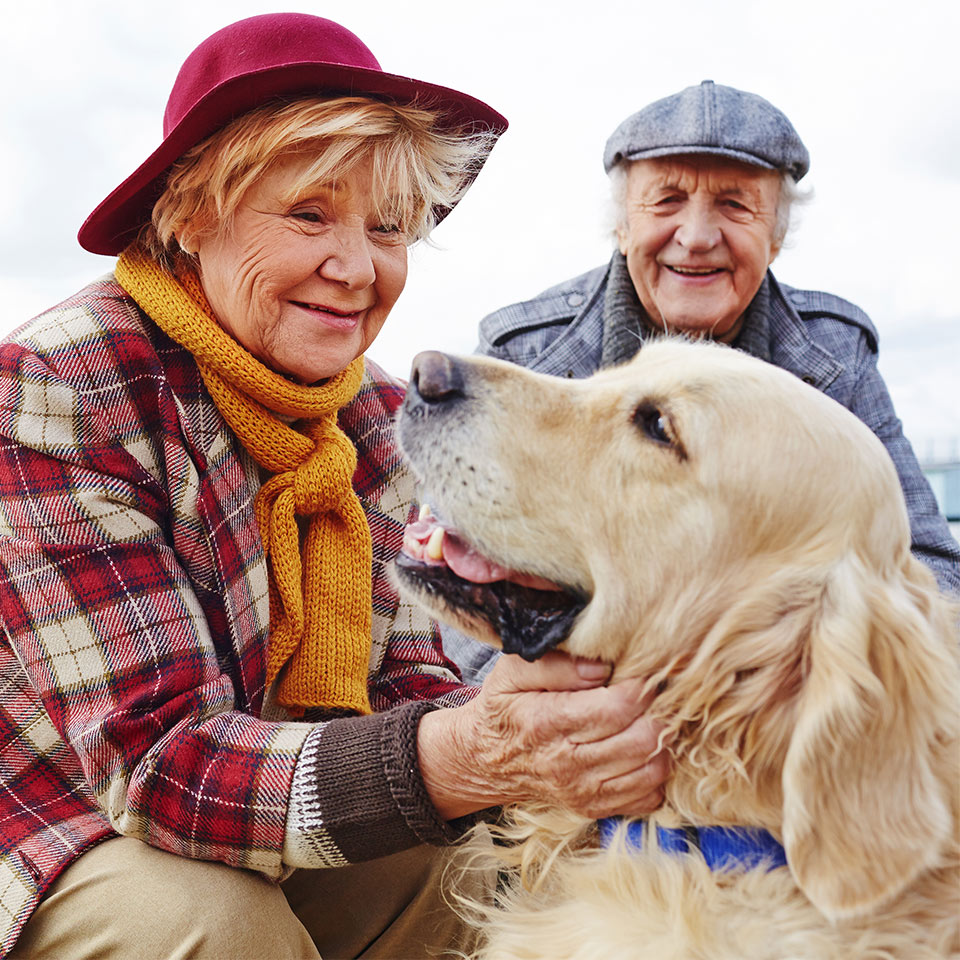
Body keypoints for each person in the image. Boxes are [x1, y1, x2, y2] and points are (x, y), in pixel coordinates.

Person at [0, 14, 670, 959]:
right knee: (218, 930)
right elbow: (159, 766)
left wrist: (519, 719)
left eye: (388, 228)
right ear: (191, 214)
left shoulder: (374, 411)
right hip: (57, 814)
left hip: (268, 789)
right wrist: (473, 750)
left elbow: (403, 681)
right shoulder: (59, 385)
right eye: (309, 215)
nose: (357, 270)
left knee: (485, 878)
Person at [446, 80, 960, 684]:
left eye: (735, 205)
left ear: (776, 236)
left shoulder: (836, 355)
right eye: (665, 201)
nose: (695, 235)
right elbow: (459, 590)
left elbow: (928, 572)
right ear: (620, 226)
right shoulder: (524, 352)